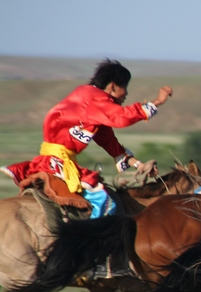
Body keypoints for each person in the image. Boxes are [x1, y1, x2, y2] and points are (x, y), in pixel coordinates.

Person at [0, 59, 173, 218]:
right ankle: (93, 246)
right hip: (58, 162)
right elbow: (121, 117)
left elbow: (108, 140)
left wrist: (138, 164)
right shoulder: (95, 100)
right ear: (113, 86)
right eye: (124, 87)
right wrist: (157, 102)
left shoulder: (88, 99)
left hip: (52, 159)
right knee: (104, 201)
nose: (126, 93)